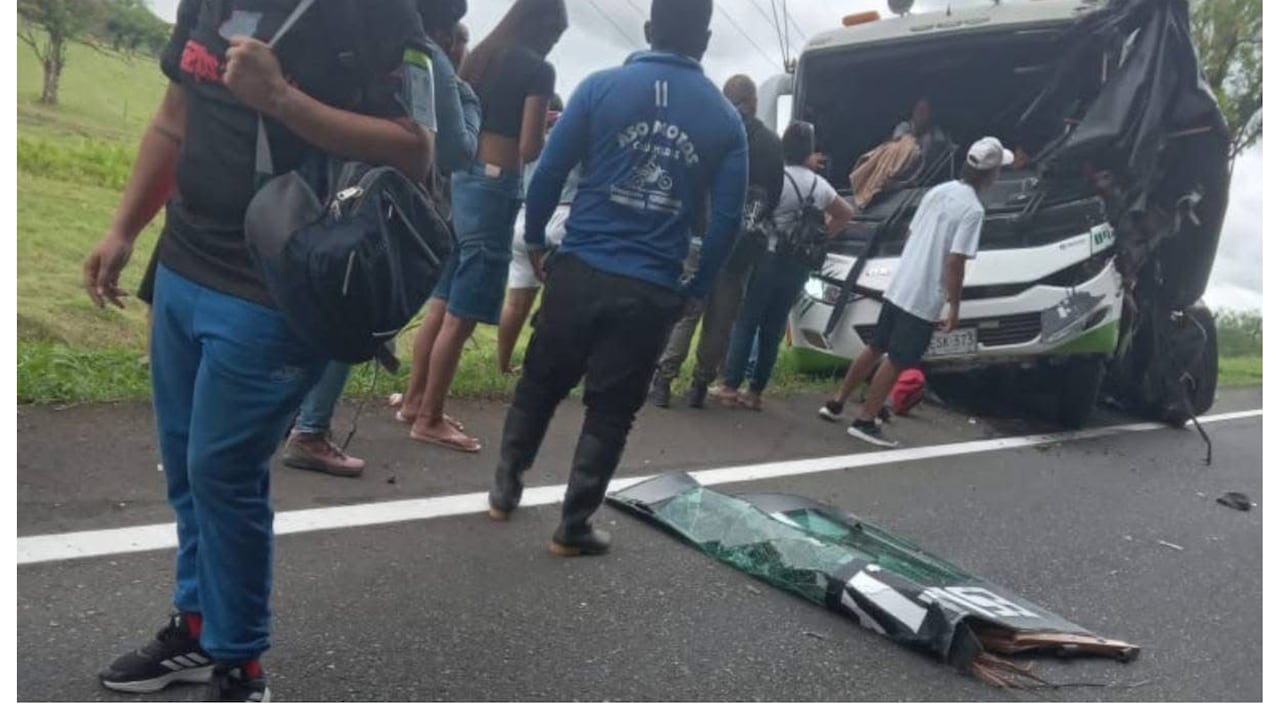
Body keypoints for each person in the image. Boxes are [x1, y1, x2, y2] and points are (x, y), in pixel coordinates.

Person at [83, 0, 438, 701]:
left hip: (276, 281)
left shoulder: (376, 12)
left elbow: (416, 147)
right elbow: (173, 118)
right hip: (184, 260)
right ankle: (194, 625)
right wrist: (124, 228)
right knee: (188, 468)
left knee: (223, 473)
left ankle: (241, 665)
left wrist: (282, 99)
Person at [486, 0, 747, 556]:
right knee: (611, 409)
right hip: (651, 286)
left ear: (650, 29)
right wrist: (695, 289)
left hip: (580, 266)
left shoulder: (598, 88)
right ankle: (573, 524)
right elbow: (727, 221)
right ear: (703, 40)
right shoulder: (725, 120)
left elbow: (550, 171)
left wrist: (536, 240)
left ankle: (505, 487)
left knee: (540, 382)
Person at [280, 0, 480, 478]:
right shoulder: (428, 57)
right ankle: (310, 430)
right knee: (352, 308)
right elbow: (452, 151)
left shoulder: (340, 26)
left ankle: (287, 412)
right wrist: (469, 106)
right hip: (378, 204)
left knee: (305, 291)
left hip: (317, 183)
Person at [395, 0, 568, 453]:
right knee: (464, 310)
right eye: (554, 37)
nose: (553, 45)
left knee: (442, 299)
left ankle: (413, 401)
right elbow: (529, 147)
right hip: (494, 187)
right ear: (543, 29)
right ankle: (430, 417)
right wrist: (553, 139)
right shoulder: (538, 70)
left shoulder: (481, 57)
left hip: (459, 179)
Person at [819, 137, 1013, 448]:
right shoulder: (973, 211)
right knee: (898, 358)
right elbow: (955, 260)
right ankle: (866, 419)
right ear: (991, 176)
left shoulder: (938, 191)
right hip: (924, 295)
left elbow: (912, 233)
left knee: (876, 346)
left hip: (900, 283)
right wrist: (954, 305)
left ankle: (837, 401)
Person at [649, 74, 784, 409]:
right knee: (722, 319)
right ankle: (699, 386)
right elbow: (775, 195)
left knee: (688, 311)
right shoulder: (770, 143)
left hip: (701, 234)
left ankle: (663, 382)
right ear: (753, 101)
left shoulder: (710, 130)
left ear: (727, 98)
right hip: (741, 245)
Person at [716, 121, 854, 411]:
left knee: (747, 322)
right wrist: (820, 238)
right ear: (809, 149)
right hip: (798, 264)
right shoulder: (819, 185)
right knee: (774, 327)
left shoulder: (777, 177)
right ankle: (755, 392)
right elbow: (846, 213)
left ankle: (730, 386)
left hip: (768, 256)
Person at [496, 94, 573, 376]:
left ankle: (502, 367)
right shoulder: (574, 136)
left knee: (515, 304)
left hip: (524, 217)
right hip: (565, 216)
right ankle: (541, 370)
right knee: (558, 305)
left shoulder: (529, 139)